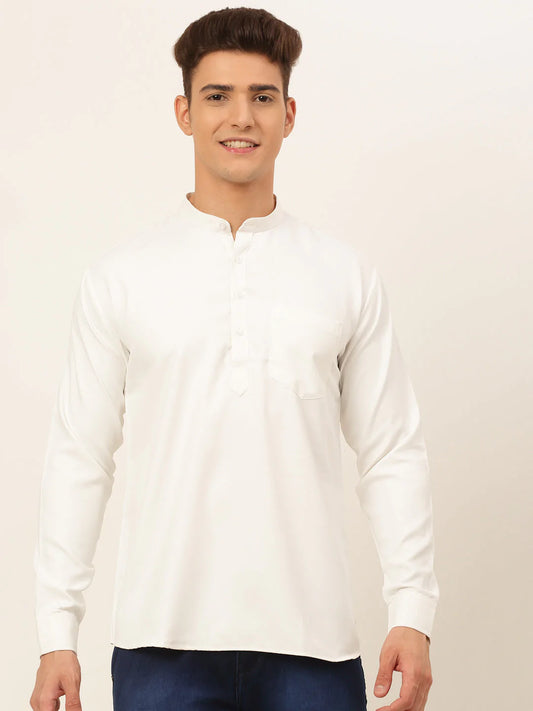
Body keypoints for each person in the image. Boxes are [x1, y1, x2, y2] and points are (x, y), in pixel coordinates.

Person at [30, 7, 439, 711]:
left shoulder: (343, 276)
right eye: (217, 95)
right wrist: (54, 631)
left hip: (313, 646)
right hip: (160, 645)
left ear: (289, 114)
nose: (240, 117)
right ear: (185, 113)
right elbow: (80, 457)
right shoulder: (121, 278)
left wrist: (412, 609)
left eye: (262, 96)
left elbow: (391, 449)